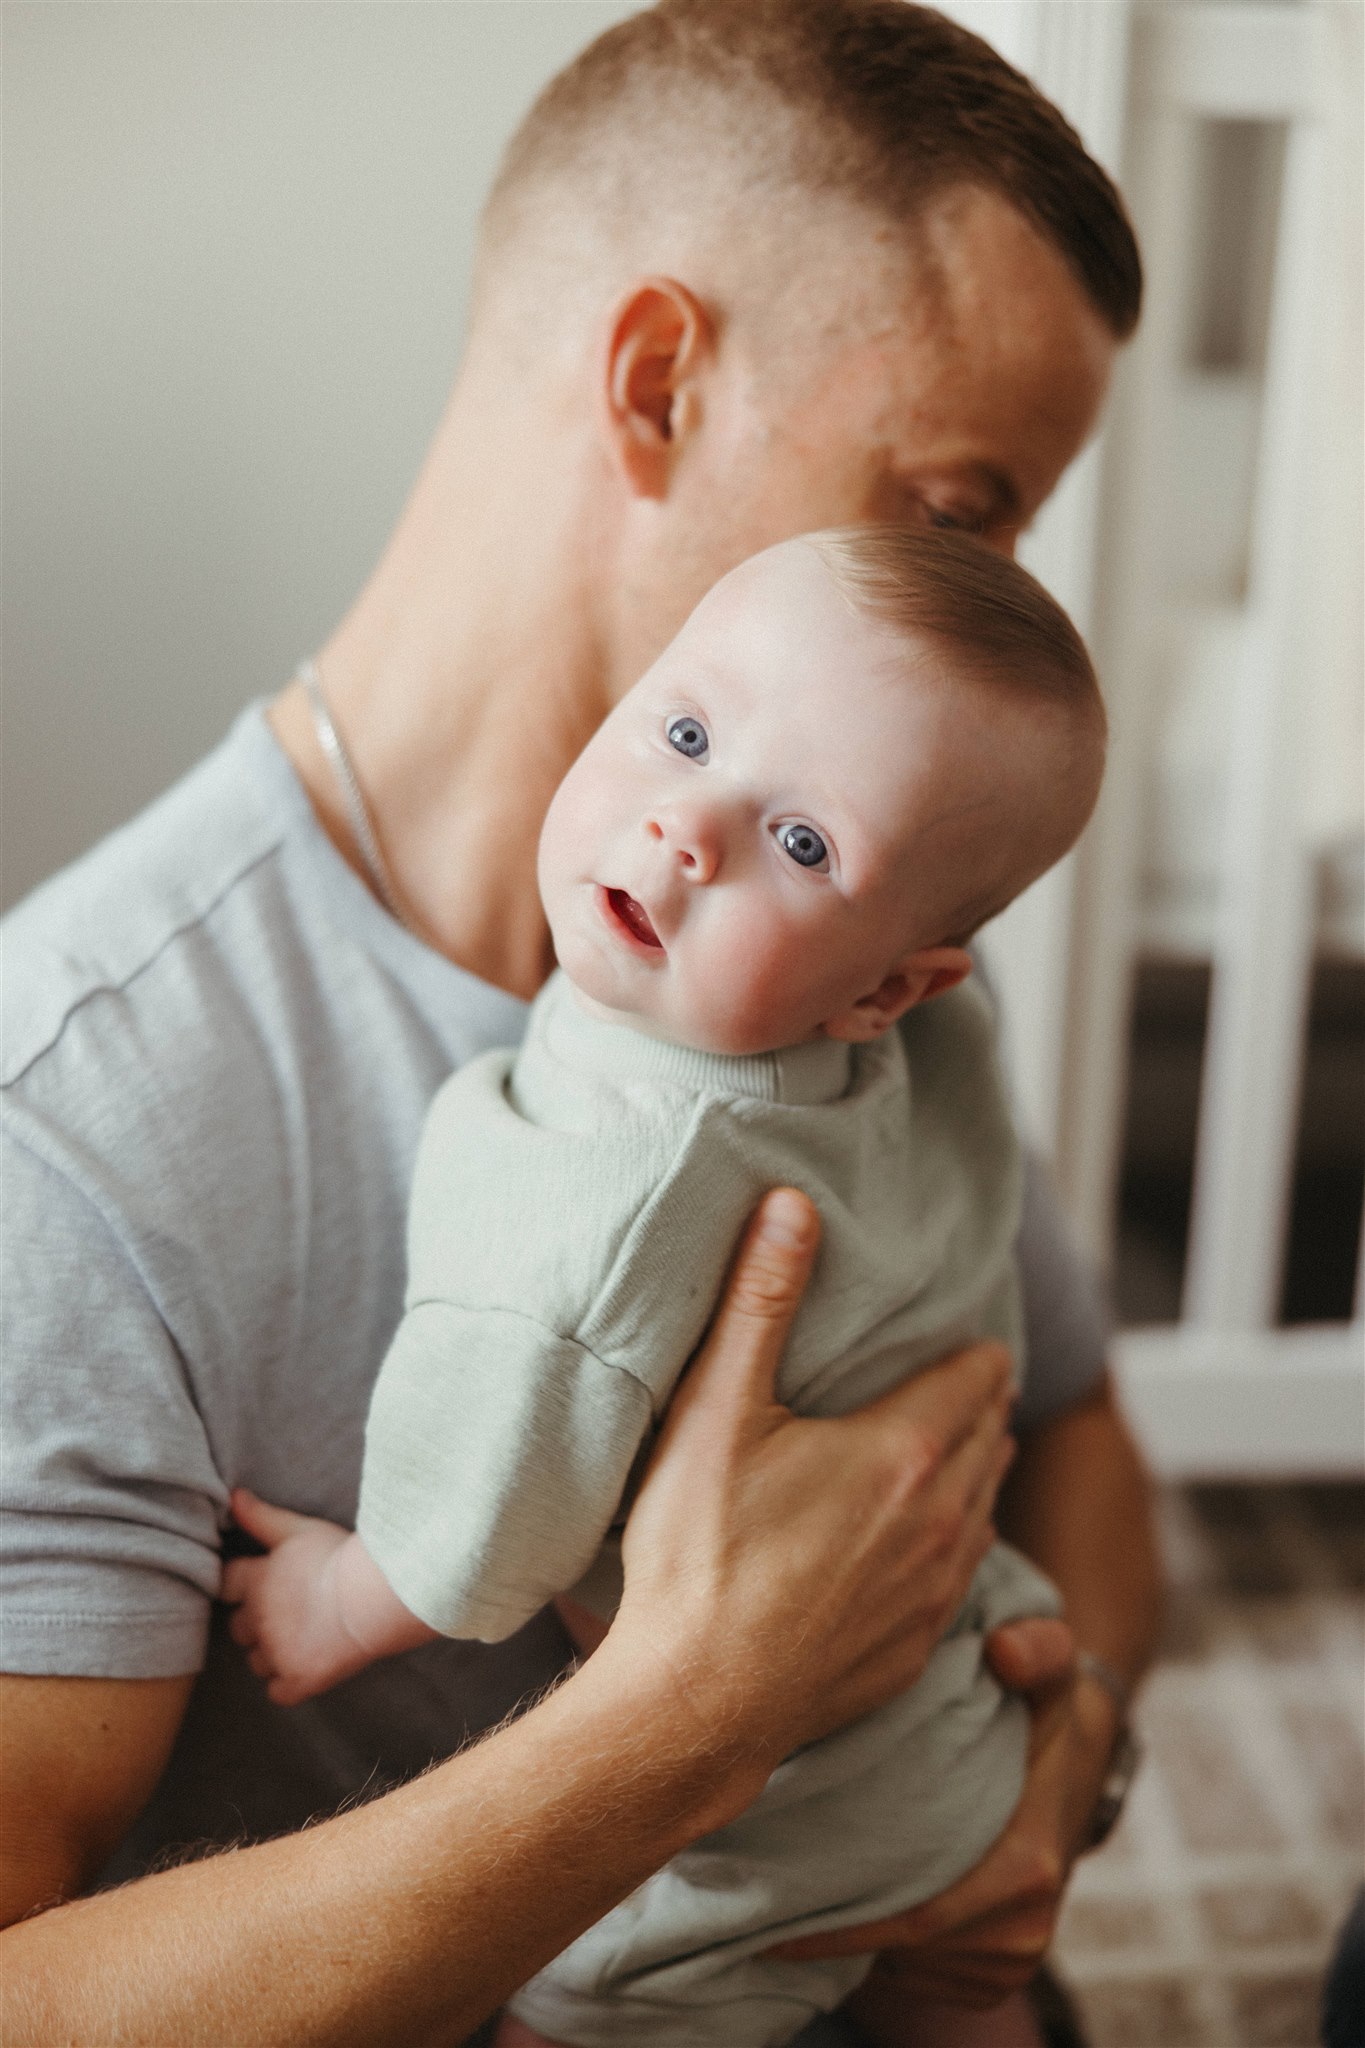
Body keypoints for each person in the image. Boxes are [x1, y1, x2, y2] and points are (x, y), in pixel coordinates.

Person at [0, 3, 1162, 2041]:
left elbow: (1066, 1422)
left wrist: (1041, 1804)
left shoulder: (852, 970)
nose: (971, 617)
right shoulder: (78, 1119)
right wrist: (699, 1702)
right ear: (654, 386)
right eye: (954, 510)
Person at [228, 524, 1106, 2048]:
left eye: (806, 844)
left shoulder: (622, 1159)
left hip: (781, 1806)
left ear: (887, 985)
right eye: (688, 731)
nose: (688, 828)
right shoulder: (928, 1059)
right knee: (964, 2005)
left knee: (577, 2006)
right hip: (965, 1687)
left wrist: (340, 1599)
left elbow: (500, 1478)